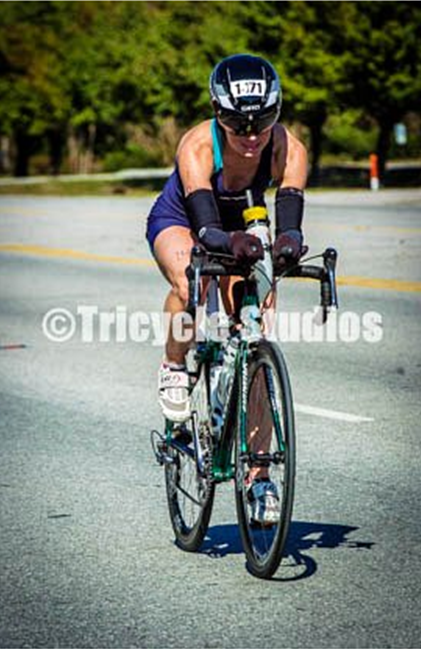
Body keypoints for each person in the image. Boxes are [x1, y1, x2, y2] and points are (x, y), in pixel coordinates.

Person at [146, 54, 308, 524]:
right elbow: (208, 230)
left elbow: (291, 219)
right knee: (190, 280)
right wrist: (226, 243)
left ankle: (259, 477)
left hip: (245, 225)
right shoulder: (198, 146)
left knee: (257, 336)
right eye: (238, 123)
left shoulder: (288, 149)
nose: (252, 134)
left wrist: (288, 245)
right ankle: (175, 364)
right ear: (219, 114)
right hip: (185, 221)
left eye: (263, 120)